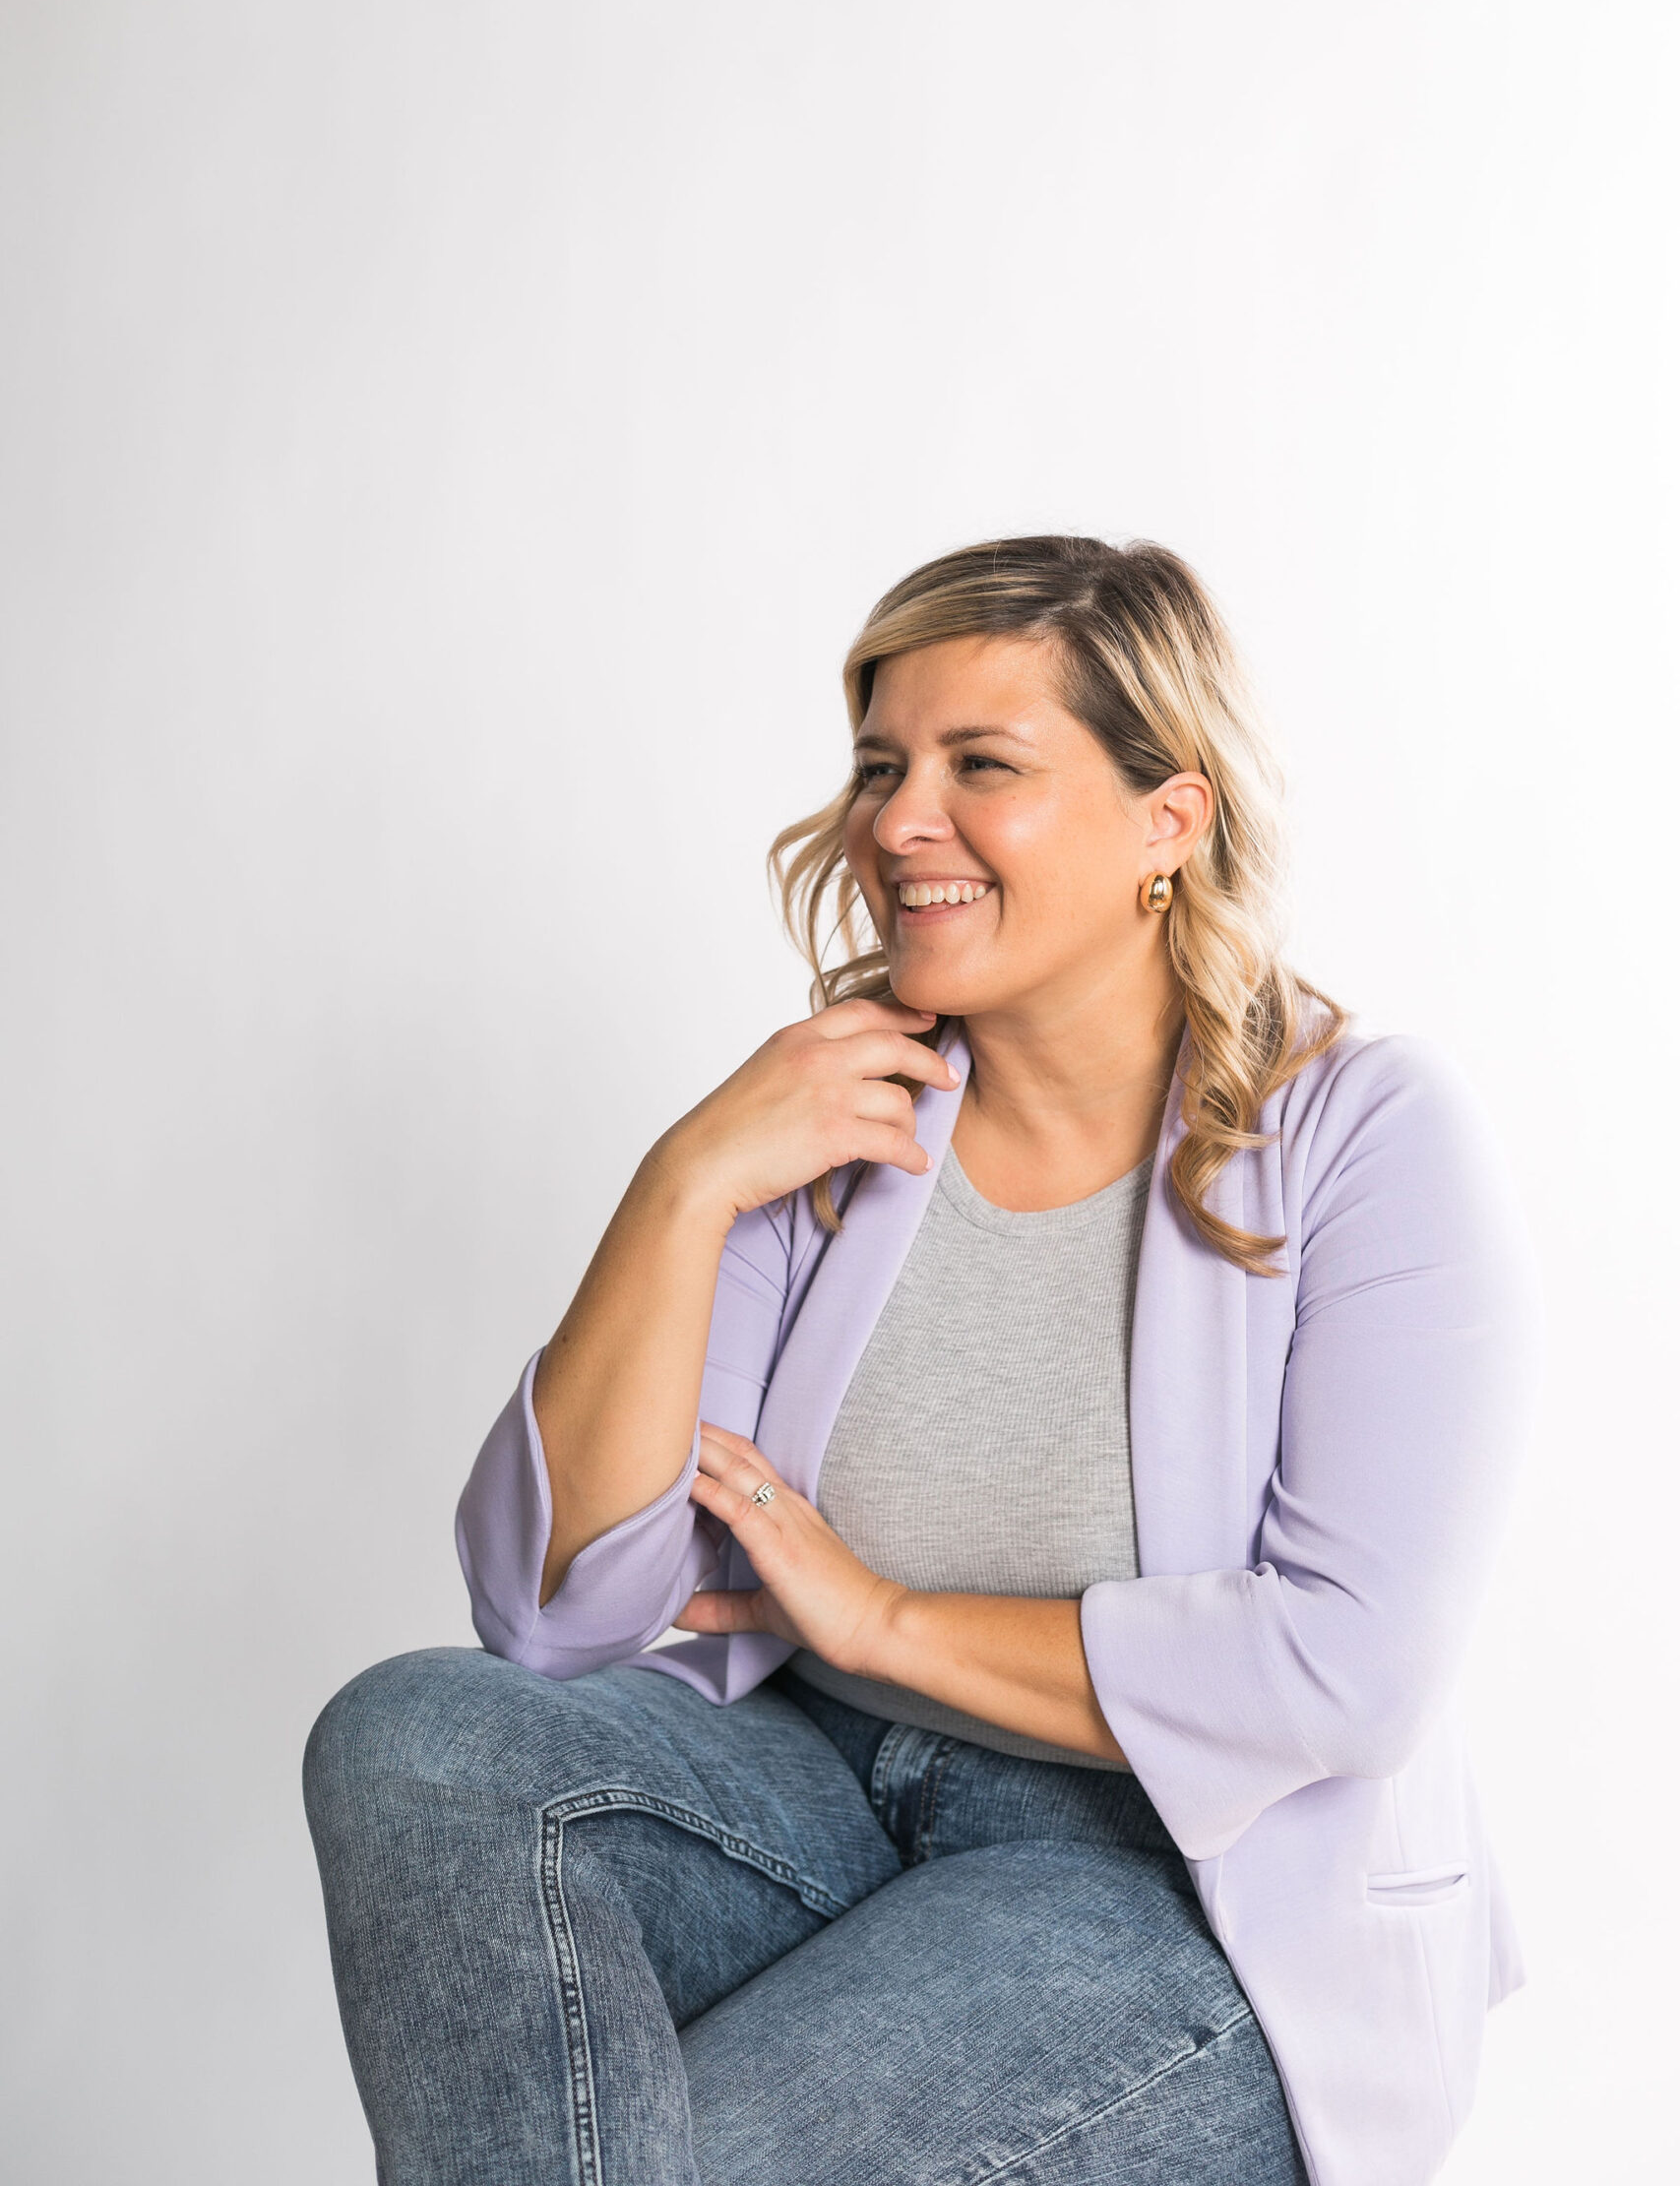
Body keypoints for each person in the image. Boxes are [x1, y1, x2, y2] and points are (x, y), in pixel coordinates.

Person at [304, 534, 1539, 2186]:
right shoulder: (838, 1120)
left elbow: (1344, 1672)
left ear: (1167, 823)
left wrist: (886, 1618)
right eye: (884, 765)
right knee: (413, 1737)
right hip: (815, 1797)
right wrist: (685, 1182)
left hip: (1173, 1886)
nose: (897, 820)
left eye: (982, 766)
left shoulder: (1363, 1138)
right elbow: (553, 1611)